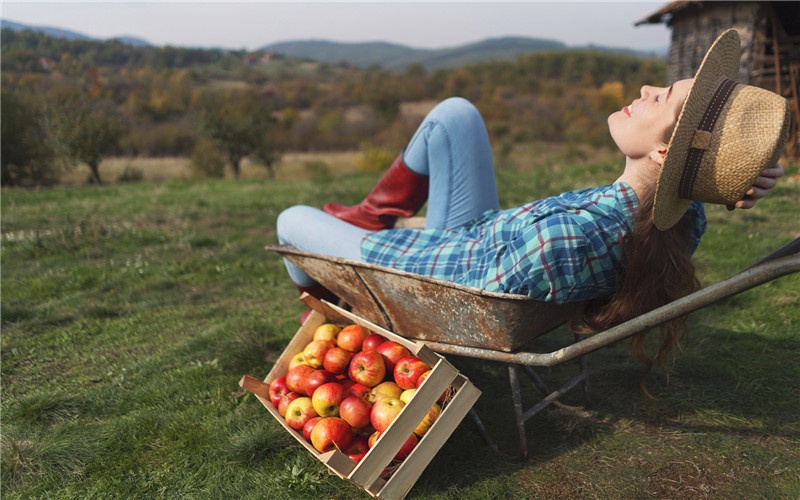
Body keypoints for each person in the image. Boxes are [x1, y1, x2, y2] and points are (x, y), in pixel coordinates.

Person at [276, 29, 790, 375]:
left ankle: (328, 302)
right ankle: (368, 214)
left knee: (293, 220)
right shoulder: (678, 218)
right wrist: (733, 183)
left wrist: (376, 252)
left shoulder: (571, 239)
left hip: (428, 270)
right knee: (454, 115)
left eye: (663, 100)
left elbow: (458, 289)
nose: (645, 87)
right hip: (472, 235)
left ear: (664, 152)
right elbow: (698, 193)